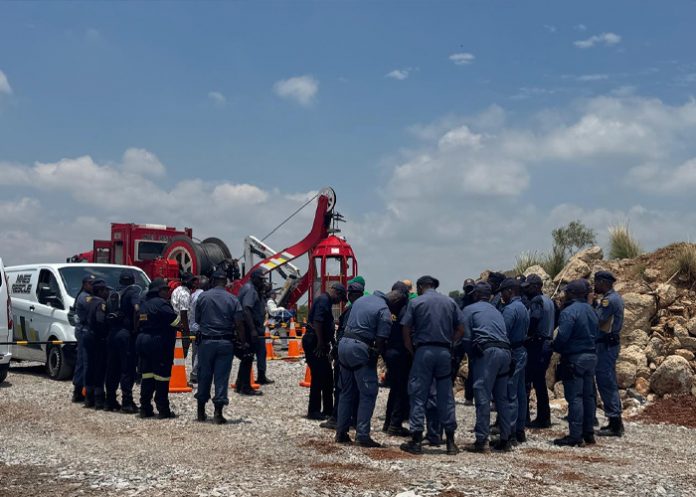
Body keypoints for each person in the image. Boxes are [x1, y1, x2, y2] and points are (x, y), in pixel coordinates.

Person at [400, 276, 464, 456]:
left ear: (421, 287)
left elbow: (405, 328)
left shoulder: (417, 303)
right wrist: (450, 344)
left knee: (418, 394)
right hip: (444, 352)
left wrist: (411, 349)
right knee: (446, 396)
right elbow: (461, 329)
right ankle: (451, 443)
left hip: (424, 351)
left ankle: (417, 441)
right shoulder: (450, 302)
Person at [335, 289, 408, 447]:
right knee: (368, 393)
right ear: (395, 303)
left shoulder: (361, 300)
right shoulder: (384, 311)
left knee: (346, 391)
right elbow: (381, 341)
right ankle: (362, 435)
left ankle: (341, 432)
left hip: (343, 346)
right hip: (359, 349)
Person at [461, 281, 513, 453]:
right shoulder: (497, 311)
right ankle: (506, 439)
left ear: (475, 295)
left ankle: (481, 440)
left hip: (488, 353)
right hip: (506, 352)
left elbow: (467, 339)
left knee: (482, 394)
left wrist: (471, 356)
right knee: (501, 398)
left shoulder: (469, 310)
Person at [194, 270, 246, 424]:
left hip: (206, 342)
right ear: (226, 282)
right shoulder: (233, 299)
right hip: (225, 343)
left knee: (204, 375)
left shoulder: (203, 297)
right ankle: (218, 413)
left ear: (213, 280)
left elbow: (197, 319)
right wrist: (243, 343)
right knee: (221, 378)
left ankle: (201, 411)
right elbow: (239, 323)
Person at [552, 279, 599, 446]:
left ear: (572, 293)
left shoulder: (569, 312)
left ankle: (575, 436)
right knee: (589, 396)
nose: (564, 295)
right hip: (591, 357)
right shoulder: (592, 310)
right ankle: (589, 433)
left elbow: (563, 336)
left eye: (566, 292)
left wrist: (553, 346)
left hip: (575, 358)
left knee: (575, 398)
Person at [321, 281, 364, 430]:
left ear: (351, 295)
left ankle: (336, 418)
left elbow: (343, 333)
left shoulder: (349, 310)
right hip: (360, 353)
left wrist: (335, 350)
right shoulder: (363, 310)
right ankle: (354, 418)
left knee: (341, 387)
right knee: (356, 387)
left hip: (344, 353)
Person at [302, 282, 347, 420]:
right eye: (340, 298)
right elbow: (318, 322)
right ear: (336, 292)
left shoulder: (326, 302)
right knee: (318, 376)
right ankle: (314, 410)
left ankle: (328, 409)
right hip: (314, 342)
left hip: (320, 342)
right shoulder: (323, 300)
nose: (339, 301)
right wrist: (321, 343)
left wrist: (331, 343)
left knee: (327, 376)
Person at [136, 279, 179, 419]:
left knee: (147, 375)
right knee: (162, 376)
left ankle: (144, 408)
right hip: (158, 342)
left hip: (143, 340)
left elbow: (136, 322)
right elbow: (175, 321)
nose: (168, 292)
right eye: (165, 290)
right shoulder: (161, 304)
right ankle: (163, 410)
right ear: (157, 291)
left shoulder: (143, 304)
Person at [104, 270, 142, 413]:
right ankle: (127, 402)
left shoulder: (112, 294)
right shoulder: (132, 293)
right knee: (127, 369)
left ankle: (110, 401)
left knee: (112, 368)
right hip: (125, 335)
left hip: (112, 334)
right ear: (132, 280)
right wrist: (135, 328)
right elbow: (137, 310)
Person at [593, 271, 625, 437]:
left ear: (603, 282)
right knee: (608, 380)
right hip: (609, 344)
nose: (595, 286)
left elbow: (597, 319)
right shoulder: (614, 298)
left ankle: (615, 422)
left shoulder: (608, 300)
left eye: (596, 282)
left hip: (605, 345)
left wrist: (591, 305)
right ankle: (615, 420)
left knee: (606, 381)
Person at [522, 274, 555, 429]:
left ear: (536, 286)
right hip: (547, 342)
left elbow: (534, 318)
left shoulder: (536, 301)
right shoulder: (550, 301)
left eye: (528, 287)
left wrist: (527, 334)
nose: (526, 290)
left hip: (537, 345)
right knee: (540, 382)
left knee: (527, 381)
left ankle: (526, 417)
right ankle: (544, 416)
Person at [499, 278, 530, 444]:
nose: (501, 295)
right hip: (521, 351)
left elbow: (503, 332)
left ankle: (509, 433)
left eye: (503, 291)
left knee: (510, 393)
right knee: (520, 393)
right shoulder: (524, 307)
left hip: (512, 352)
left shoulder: (510, 309)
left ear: (510, 291)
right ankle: (519, 429)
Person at [382, 281, 412, 436]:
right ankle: (395, 425)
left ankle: (388, 423)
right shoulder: (406, 308)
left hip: (389, 352)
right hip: (401, 353)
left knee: (394, 389)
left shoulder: (388, 309)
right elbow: (407, 331)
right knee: (401, 390)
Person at [236, 269, 272, 393]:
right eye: (261, 280)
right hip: (248, 328)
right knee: (248, 357)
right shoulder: (251, 290)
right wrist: (252, 330)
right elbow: (246, 309)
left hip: (248, 327)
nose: (263, 282)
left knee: (247, 357)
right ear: (255, 279)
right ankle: (245, 387)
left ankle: (240, 384)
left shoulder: (251, 289)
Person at [83, 279, 111, 409]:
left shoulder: (87, 301)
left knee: (90, 367)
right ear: (100, 291)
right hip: (97, 338)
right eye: (105, 290)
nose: (107, 292)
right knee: (99, 368)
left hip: (88, 335)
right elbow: (100, 321)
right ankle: (98, 399)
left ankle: (89, 397)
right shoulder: (101, 303)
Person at [71, 274, 95, 403]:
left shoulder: (86, 296)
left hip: (84, 331)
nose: (92, 285)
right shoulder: (84, 297)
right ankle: (79, 391)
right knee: (83, 362)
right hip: (83, 331)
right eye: (90, 283)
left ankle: (80, 390)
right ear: (85, 284)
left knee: (84, 361)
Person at [455, 278, 476, 405]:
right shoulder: (459, 302)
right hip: (460, 338)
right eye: (467, 288)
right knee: (453, 365)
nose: (468, 291)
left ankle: (469, 396)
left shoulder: (477, 302)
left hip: (471, 338)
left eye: (470, 288)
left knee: (473, 368)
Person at [171, 272, 197, 358]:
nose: (193, 283)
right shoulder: (185, 294)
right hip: (181, 327)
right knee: (182, 354)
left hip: (175, 325)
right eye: (191, 281)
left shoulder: (177, 290)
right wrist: (186, 332)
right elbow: (183, 313)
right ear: (185, 281)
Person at [188, 275, 209, 384]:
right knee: (199, 353)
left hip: (192, 326)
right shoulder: (203, 296)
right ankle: (195, 374)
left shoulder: (193, 294)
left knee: (195, 352)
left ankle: (195, 372)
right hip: (199, 328)